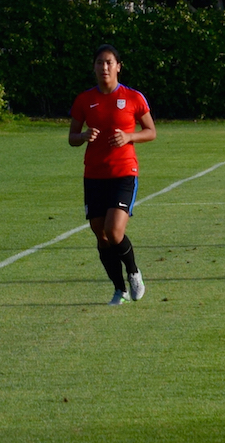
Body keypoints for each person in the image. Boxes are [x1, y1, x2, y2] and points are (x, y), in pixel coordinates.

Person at [68, 44, 156, 305]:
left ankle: (134, 272)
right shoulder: (84, 100)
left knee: (113, 230)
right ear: (94, 67)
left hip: (123, 171)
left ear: (118, 66)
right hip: (94, 175)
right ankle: (119, 289)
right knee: (100, 233)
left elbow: (151, 131)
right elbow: (72, 138)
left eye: (109, 62)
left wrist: (129, 136)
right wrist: (83, 136)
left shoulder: (132, 97)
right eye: (99, 63)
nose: (104, 67)